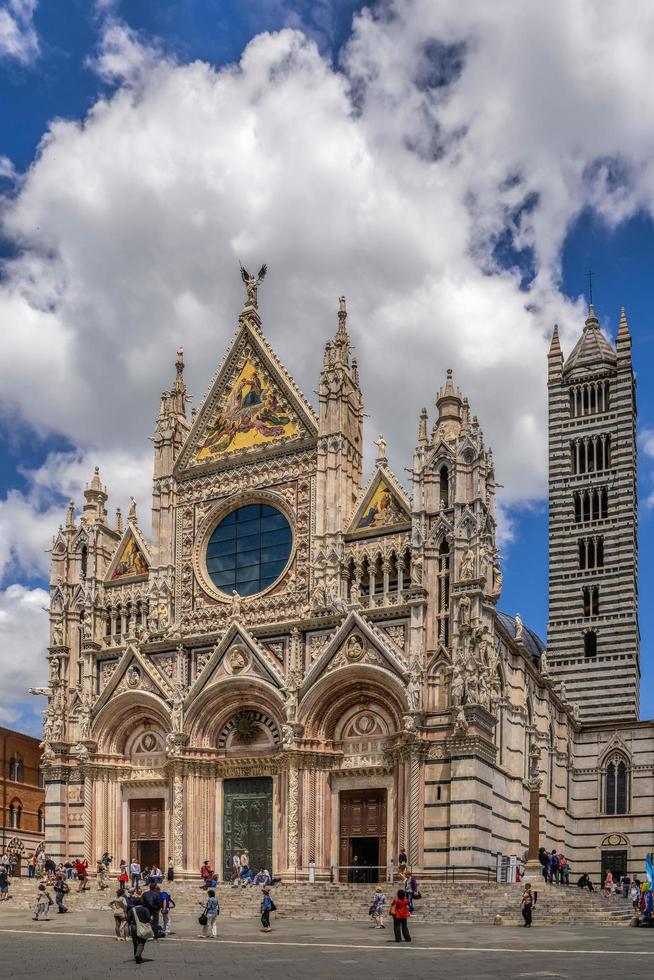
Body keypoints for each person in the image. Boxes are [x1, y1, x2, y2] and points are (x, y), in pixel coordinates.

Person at [127, 898, 152, 964]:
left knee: (135, 942)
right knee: (141, 942)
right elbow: (149, 918)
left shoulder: (132, 910)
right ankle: (138, 955)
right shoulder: (145, 909)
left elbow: (128, 919)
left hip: (134, 927)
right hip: (142, 927)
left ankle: (136, 956)